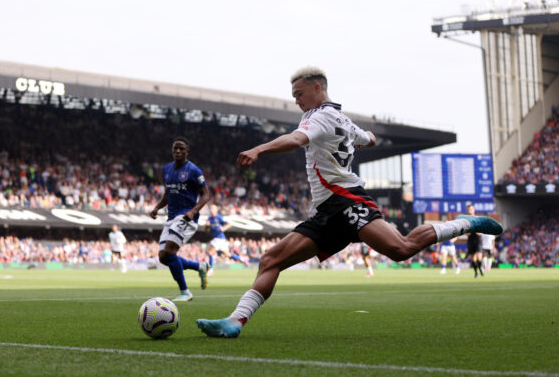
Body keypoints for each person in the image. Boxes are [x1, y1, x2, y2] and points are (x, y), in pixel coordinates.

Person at [196, 66, 503, 338]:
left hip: (347, 200)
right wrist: (366, 135)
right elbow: (366, 138)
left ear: (318, 88)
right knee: (270, 260)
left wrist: (259, 149)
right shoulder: (336, 118)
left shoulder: (321, 117)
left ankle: (465, 223)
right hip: (326, 212)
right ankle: (235, 321)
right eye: (293, 94)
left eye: (299, 93)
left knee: (401, 249)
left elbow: (295, 140)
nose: (296, 99)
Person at [149, 137, 211, 302]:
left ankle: (185, 292)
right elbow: (168, 194)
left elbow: (206, 194)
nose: (177, 151)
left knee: (170, 252)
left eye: (181, 149)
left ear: (187, 151)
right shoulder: (166, 169)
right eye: (175, 148)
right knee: (163, 257)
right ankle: (200, 267)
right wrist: (157, 208)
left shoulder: (193, 170)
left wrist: (193, 211)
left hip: (186, 216)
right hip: (171, 216)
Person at [206, 204, 241, 273]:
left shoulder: (219, 217)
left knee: (210, 252)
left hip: (219, 238)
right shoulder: (209, 219)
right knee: (228, 255)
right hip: (218, 239)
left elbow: (229, 224)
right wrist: (206, 226)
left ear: (216, 210)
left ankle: (211, 270)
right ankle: (242, 260)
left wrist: (224, 228)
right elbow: (206, 231)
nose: (211, 210)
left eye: (213, 208)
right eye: (211, 208)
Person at [465, 204, 485, 278]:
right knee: (473, 258)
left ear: (474, 210)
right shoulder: (466, 220)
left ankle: (480, 268)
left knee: (479, 258)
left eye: (471, 209)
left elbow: (480, 231)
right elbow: (467, 232)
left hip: (478, 239)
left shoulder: (478, 218)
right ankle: (476, 273)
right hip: (471, 240)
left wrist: (476, 230)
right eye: (469, 209)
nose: (470, 210)